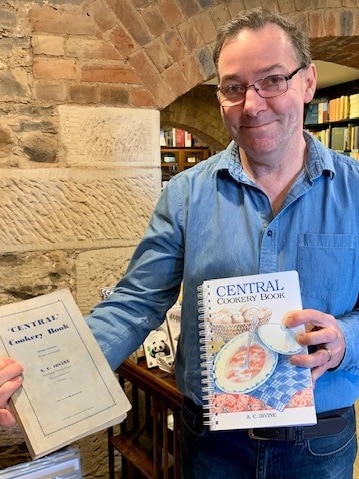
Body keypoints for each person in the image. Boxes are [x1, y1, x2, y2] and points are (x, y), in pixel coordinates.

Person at [1, 7, 359, 478]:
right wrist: (38, 380)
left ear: (308, 82)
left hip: (318, 442)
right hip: (211, 443)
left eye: (272, 80)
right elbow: (134, 303)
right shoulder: (186, 193)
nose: (252, 104)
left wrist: (345, 340)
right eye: (234, 87)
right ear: (220, 98)